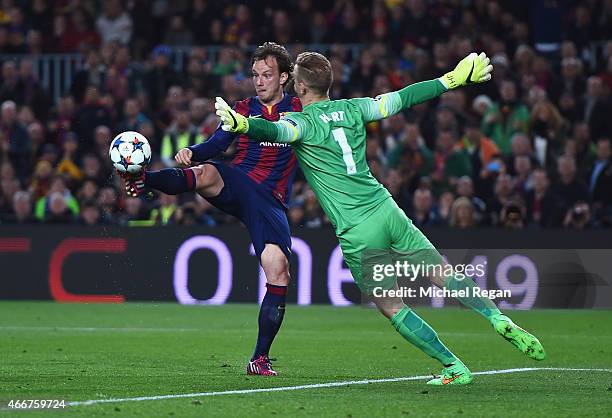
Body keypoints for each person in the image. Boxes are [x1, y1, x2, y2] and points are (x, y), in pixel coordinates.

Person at [216, 51, 545, 385]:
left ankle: (453, 366)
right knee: (441, 272)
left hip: (358, 230)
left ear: (299, 86)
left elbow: (273, 132)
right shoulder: (356, 107)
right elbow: (404, 98)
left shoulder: (302, 122)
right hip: (386, 208)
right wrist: (451, 80)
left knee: (392, 305)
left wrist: (242, 124)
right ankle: (496, 316)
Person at [121, 43, 301, 376]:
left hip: (269, 201)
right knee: (205, 172)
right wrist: (193, 150)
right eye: (255, 75)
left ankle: (259, 359)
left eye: (267, 75)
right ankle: (142, 178)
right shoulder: (243, 108)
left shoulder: (302, 109)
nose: (259, 82)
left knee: (278, 271)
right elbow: (218, 145)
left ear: (285, 77)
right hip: (239, 180)